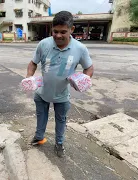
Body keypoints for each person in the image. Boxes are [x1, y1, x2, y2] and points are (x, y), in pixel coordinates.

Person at [26, 11, 94, 157]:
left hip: (62, 95)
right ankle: (39, 138)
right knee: (41, 117)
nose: (58, 35)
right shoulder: (44, 44)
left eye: (63, 32)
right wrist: (29, 78)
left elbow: (89, 67)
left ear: (72, 30)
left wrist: (86, 79)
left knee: (61, 121)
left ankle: (59, 143)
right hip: (42, 93)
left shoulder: (80, 49)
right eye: (55, 31)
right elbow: (33, 63)